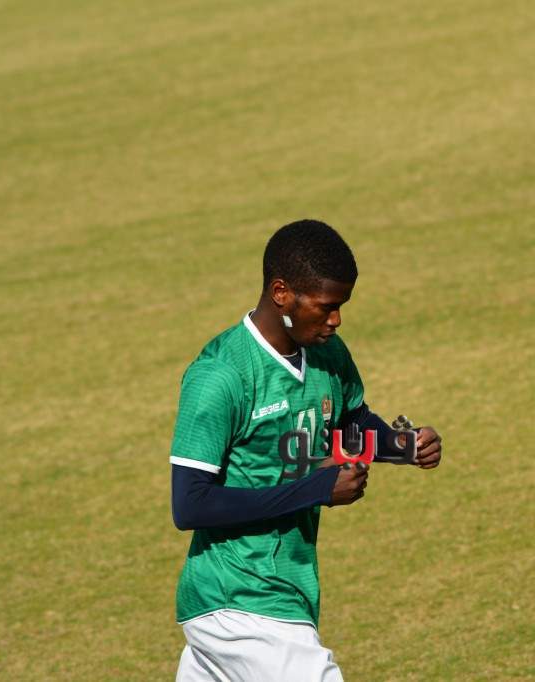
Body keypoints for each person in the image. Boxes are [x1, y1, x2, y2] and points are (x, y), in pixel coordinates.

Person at [169, 219, 442, 681]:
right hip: (241, 600)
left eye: (342, 306)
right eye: (326, 307)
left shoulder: (326, 353)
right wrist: (317, 489)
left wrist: (400, 446)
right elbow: (190, 504)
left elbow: (346, 422)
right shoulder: (220, 376)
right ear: (281, 293)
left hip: (280, 593)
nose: (336, 320)